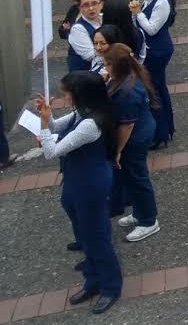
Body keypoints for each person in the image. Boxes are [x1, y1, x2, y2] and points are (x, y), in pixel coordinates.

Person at [35, 70, 122, 314]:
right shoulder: (81, 113)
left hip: (89, 182)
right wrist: (47, 116)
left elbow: (52, 151)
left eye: (67, 92)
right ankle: (93, 278)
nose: (64, 96)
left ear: (80, 94)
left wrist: (43, 128)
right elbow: (56, 127)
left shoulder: (90, 124)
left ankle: (109, 285)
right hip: (77, 178)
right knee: (83, 230)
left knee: (96, 236)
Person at [103, 43, 160, 243]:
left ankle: (148, 220)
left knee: (137, 177)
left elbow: (126, 126)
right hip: (142, 130)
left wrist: (118, 150)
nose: (105, 68)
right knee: (133, 176)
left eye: (108, 64)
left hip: (135, 138)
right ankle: (139, 211)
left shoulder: (126, 91)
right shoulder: (129, 78)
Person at [128, 0, 175, 150]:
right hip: (151, 49)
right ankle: (165, 129)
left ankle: (160, 133)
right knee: (158, 88)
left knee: (153, 91)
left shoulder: (162, 1)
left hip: (157, 51)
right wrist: (135, 13)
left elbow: (151, 29)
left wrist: (138, 12)